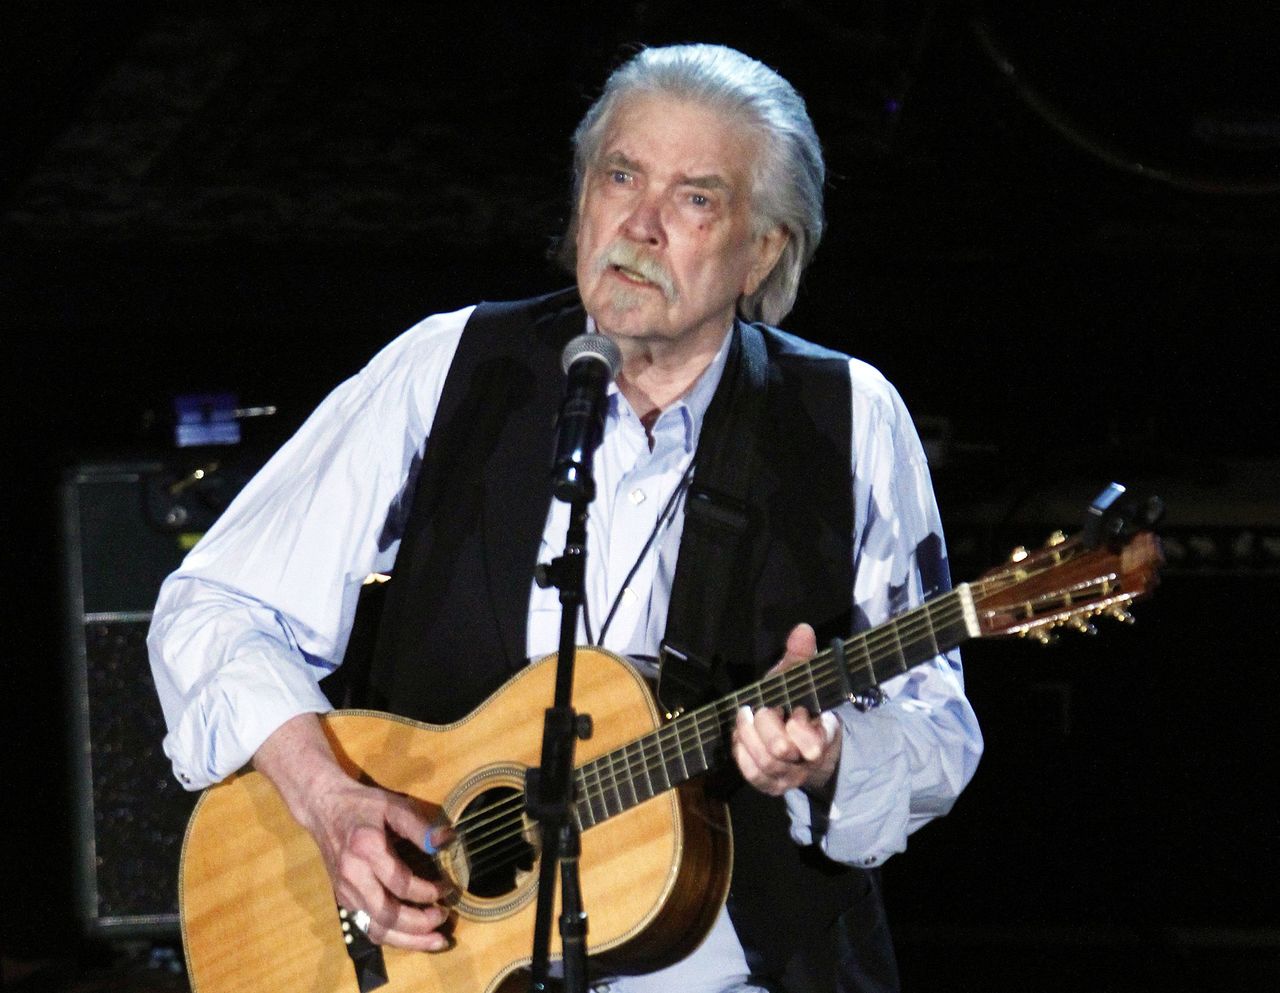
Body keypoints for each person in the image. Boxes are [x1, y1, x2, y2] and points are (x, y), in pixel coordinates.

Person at [149, 43, 982, 993]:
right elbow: (213, 606)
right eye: (620, 175)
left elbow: (935, 731)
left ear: (764, 249)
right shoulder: (453, 366)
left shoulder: (848, 416)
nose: (640, 224)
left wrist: (829, 759)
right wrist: (330, 797)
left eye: (695, 197)